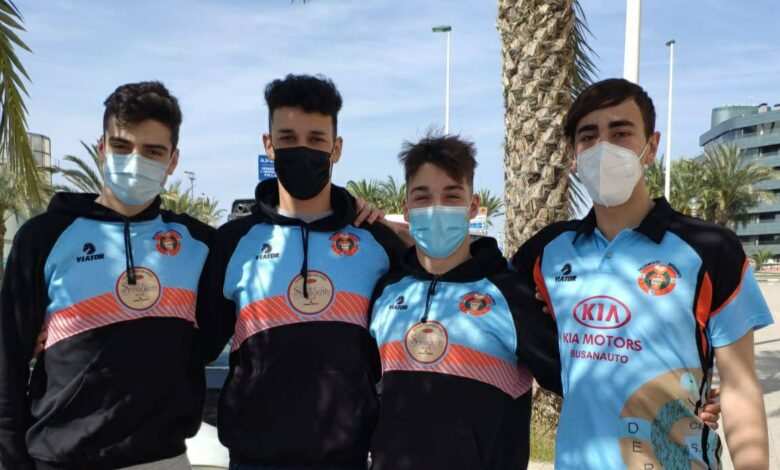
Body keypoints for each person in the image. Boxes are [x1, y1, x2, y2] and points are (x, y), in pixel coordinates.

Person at [512, 78, 772, 469]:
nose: (604, 147)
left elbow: (740, 388)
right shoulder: (547, 251)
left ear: (651, 146)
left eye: (621, 133)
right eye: (588, 136)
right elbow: (478, 293)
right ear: (573, 155)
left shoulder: (710, 249)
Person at [0, 82, 212, 469]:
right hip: (59, 458)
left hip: (163, 459)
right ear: (102, 148)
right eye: (121, 146)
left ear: (173, 161)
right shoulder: (43, 237)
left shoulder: (199, 243)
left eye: (152, 151)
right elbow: (7, 359)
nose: (135, 161)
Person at [199, 74, 406, 470]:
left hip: (347, 458)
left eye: (315, 139)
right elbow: (197, 347)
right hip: (253, 459)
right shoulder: (232, 242)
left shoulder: (376, 242)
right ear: (269, 144)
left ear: (336, 148)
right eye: (288, 138)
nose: (302, 150)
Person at [367, 134, 561, 470]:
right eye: (423, 197)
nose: (436, 209)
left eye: (451, 196)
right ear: (407, 208)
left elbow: (577, 380)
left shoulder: (512, 296)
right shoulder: (386, 290)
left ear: (472, 207)